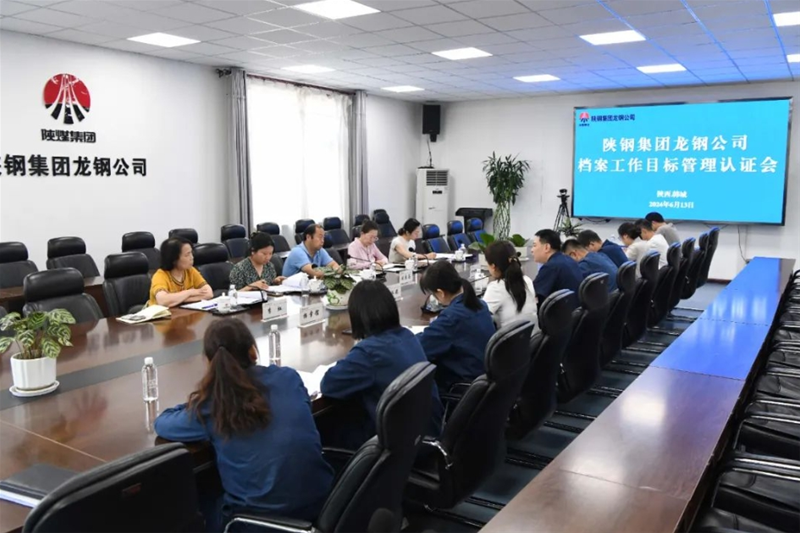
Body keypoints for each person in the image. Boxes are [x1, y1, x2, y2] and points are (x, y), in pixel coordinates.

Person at [154, 318, 333, 531]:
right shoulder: (288, 377)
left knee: (200, 494)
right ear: (252, 351)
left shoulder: (214, 403)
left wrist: (203, 396)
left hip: (258, 523)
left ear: (211, 363)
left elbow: (163, 423)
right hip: (323, 506)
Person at [320, 281, 444, 449]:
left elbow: (329, 385)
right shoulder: (407, 335)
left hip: (397, 445)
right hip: (426, 433)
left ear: (357, 316)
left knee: (325, 424)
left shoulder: (369, 352)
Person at [417, 261, 495, 392]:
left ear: (440, 293)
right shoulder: (480, 304)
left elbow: (421, 348)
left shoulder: (451, 318)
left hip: (461, 386)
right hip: (483, 379)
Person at [482, 240, 537, 329]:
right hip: (532, 334)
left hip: (511, 337)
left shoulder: (496, 288)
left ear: (493, 266)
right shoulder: (527, 280)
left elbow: (480, 315)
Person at [148, 237, 213, 307]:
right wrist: (189, 292)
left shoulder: (190, 270)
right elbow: (163, 301)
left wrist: (181, 299)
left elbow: (209, 293)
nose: (192, 257)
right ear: (173, 259)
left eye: (191, 253)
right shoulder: (160, 275)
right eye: (187, 255)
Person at [531, 229, 582, 309]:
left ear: (547, 247)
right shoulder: (568, 260)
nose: (532, 250)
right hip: (574, 311)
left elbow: (532, 294)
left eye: (534, 245)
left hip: (560, 313)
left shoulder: (551, 267)